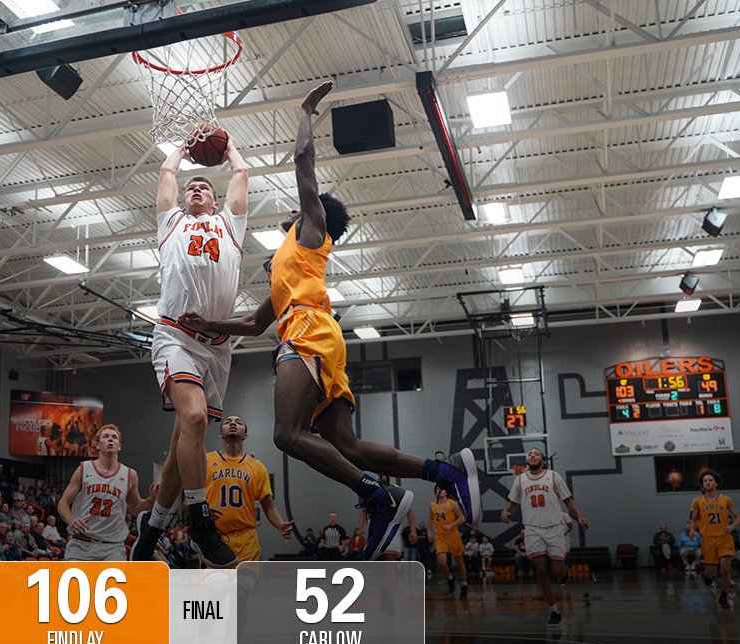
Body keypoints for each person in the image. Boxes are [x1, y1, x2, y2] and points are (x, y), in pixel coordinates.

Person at [177, 81, 481, 561]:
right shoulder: (286, 261)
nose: (295, 208)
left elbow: (303, 163)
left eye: (301, 204)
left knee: (286, 435)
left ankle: (379, 496)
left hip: (309, 333)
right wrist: (207, 322)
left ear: (311, 212)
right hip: (313, 333)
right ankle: (443, 473)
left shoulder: (312, 230)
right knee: (349, 445)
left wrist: (305, 112)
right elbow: (256, 324)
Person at [128, 129, 250, 570]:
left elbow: (241, 171)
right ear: (183, 199)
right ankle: (200, 522)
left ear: (215, 203)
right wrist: (182, 148)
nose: (197, 189)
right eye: (191, 187)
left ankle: (153, 528)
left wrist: (228, 144)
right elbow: (165, 172)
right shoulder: (171, 223)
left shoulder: (230, 226)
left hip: (216, 348)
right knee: (196, 419)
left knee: (185, 436)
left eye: (205, 188)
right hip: (175, 335)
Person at [500, 448, 590, 628]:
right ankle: (553, 610)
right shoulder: (520, 480)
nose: (532, 455)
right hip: (532, 529)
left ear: (542, 459)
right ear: (527, 459)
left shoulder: (553, 476)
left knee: (556, 570)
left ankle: (564, 574)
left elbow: (568, 501)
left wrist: (579, 516)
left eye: (537, 453)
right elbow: (513, 504)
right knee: (540, 568)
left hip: (555, 527)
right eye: (530, 454)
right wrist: (505, 511)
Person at [202, 415, 293, 564]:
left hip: (246, 540)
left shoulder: (257, 467)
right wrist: (202, 508)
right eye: (227, 422)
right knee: (219, 587)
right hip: (213, 537)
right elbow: (188, 502)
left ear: (245, 435)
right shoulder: (205, 461)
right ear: (220, 434)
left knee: (242, 586)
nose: (232, 423)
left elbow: (268, 506)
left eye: (238, 422)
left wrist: (280, 524)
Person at [59, 425, 154, 562]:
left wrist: (151, 500)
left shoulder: (129, 474)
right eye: (106, 436)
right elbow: (63, 503)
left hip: (112, 548)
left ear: (119, 446)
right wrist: (71, 520)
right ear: (97, 445)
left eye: (114, 437)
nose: (110, 439)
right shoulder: (84, 468)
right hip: (81, 543)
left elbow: (135, 508)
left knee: (115, 582)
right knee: (75, 582)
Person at [690, 469, 740, 609]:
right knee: (710, 572)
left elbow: (738, 517)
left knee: (725, 569)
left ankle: (723, 596)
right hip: (708, 540)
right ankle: (708, 579)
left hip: (724, 538)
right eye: (705, 481)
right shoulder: (697, 501)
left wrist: (731, 527)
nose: (707, 482)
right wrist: (693, 531)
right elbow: (693, 519)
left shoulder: (726, 499)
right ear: (702, 485)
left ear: (716, 483)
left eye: (710, 480)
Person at [428, 486, 469, 598]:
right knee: (441, 562)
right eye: (437, 489)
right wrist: (429, 531)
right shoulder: (432, 505)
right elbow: (431, 519)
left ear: (446, 491)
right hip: (440, 536)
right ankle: (450, 577)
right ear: (435, 492)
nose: (440, 491)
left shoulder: (452, 503)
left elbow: (462, 518)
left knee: (459, 562)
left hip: (453, 535)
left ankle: (464, 584)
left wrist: (451, 525)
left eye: (442, 489)